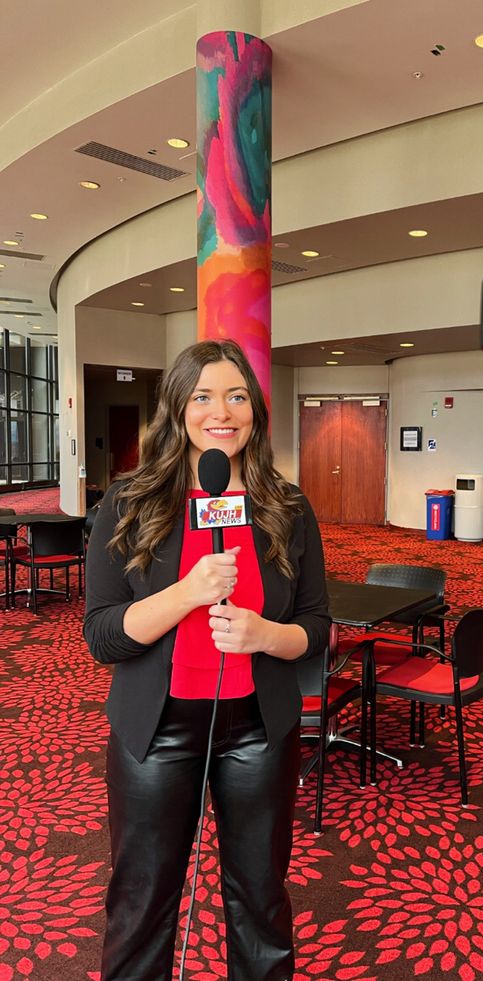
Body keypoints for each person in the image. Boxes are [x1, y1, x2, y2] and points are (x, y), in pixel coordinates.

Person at [84, 339, 331, 981]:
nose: (221, 410)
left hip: (257, 729)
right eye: (202, 396)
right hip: (156, 732)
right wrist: (187, 592)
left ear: (256, 409)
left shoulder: (287, 507)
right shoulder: (129, 502)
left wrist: (263, 635)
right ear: (177, 408)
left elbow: (315, 626)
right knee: (142, 905)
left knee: (261, 904)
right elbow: (104, 635)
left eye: (237, 395)